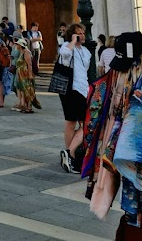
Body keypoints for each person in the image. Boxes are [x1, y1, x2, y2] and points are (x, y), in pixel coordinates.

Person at [59, 24, 92, 173]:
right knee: (71, 122)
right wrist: (72, 41)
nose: (82, 35)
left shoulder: (85, 51)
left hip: (82, 89)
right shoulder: (67, 46)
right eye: (79, 33)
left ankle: (69, 152)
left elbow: (85, 70)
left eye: (83, 33)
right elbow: (65, 55)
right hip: (70, 89)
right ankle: (70, 153)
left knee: (86, 122)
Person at [11, 34, 39, 113]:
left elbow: (29, 64)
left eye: (18, 44)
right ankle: (25, 105)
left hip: (25, 73)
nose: (16, 46)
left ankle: (29, 106)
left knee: (27, 89)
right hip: (21, 74)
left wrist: (30, 74)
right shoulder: (21, 52)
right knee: (23, 89)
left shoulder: (26, 52)